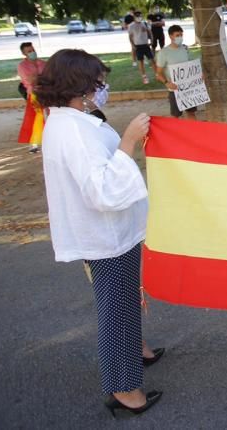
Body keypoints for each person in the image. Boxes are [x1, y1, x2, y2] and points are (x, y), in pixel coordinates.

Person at [34, 49, 163, 417]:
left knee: (123, 298)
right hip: (105, 236)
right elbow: (101, 189)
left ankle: (135, 349)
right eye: (95, 81)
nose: (100, 87)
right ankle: (124, 388)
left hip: (111, 232)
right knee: (116, 308)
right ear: (79, 84)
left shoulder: (72, 119)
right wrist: (129, 141)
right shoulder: (72, 130)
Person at [155, 25, 197, 120]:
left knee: (191, 112)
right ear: (170, 36)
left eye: (181, 35)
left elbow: (189, 65)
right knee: (175, 116)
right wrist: (167, 83)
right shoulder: (163, 53)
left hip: (188, 87)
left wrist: (197, 75)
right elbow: (158, 73)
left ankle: (195, 132)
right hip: (174, 89)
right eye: (177, 35)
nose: (180, 37)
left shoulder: (185, 48)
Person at [17, 41, 47, 153]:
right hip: (34, 94)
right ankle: (34, 143)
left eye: (33, 50)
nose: (32, 52)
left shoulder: (43, 63)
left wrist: (37, 78)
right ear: (24, 54)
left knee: (49, 116)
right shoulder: (22, 66)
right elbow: (31, 81)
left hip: (47, 92)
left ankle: (48, 140)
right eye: (29, 51)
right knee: (36, 118)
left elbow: (49, 78)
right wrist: (40, 78)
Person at [127, 14, 154, 84]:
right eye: (137, 16)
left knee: (152, 60)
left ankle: (157, 74)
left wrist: (151, 40)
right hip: (138, 46)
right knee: (141, 61)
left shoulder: (144, 23)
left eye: (140, 16)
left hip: (145, 45)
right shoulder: (131, 26)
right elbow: (130, 36)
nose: (139, 18)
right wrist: (133, 45)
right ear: (134, 18)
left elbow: (150, 32)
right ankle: (144, 77)